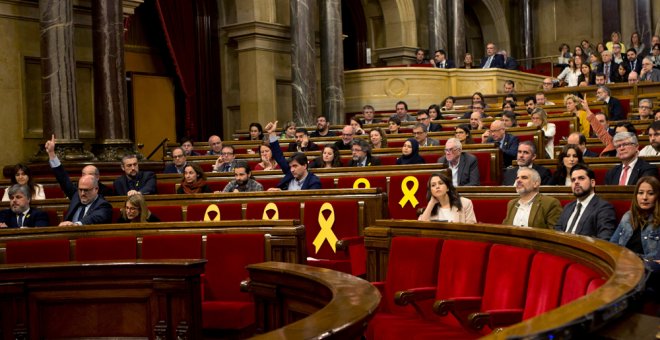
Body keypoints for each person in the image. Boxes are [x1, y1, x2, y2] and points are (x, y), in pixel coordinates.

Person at [46, 136, 112, 226]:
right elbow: (63, 179)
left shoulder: (103, 205)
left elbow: (93, 218)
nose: (82, 193)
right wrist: (51, 153)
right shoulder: (76, 196)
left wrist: (76, 225)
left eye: (86, 190)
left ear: (96, 189)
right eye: (80, 189)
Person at [554, 164, 617, 240]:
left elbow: (604, 238)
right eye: (573, 180)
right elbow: (556, 230)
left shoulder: (604, 207)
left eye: (581, 178)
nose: (576, 182)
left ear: (592, 183)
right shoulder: (568, 206)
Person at [611, 176, 660, 266]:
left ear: (657, 196)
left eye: (651, 193)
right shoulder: (628, 216)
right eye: (640, 193)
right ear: (636, 196)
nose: (644, 197)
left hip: (647, 269)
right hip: (623, 265)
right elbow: (612, 246)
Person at [45, 135, 113, 197]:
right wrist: (51, 153)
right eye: (84, 174)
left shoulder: (105, 193)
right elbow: (63, 178)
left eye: (90, 174)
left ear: (97, 177)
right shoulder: (76, 193)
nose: (86, 177)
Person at [266, 121, 321, 191]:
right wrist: (272, 133)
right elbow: (278, 156)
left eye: (295, 166)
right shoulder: (290, 174)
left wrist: (283, 194)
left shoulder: (314, 182)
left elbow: (309, 201)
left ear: (304, 166)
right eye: (291, 166)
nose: (292, 170)